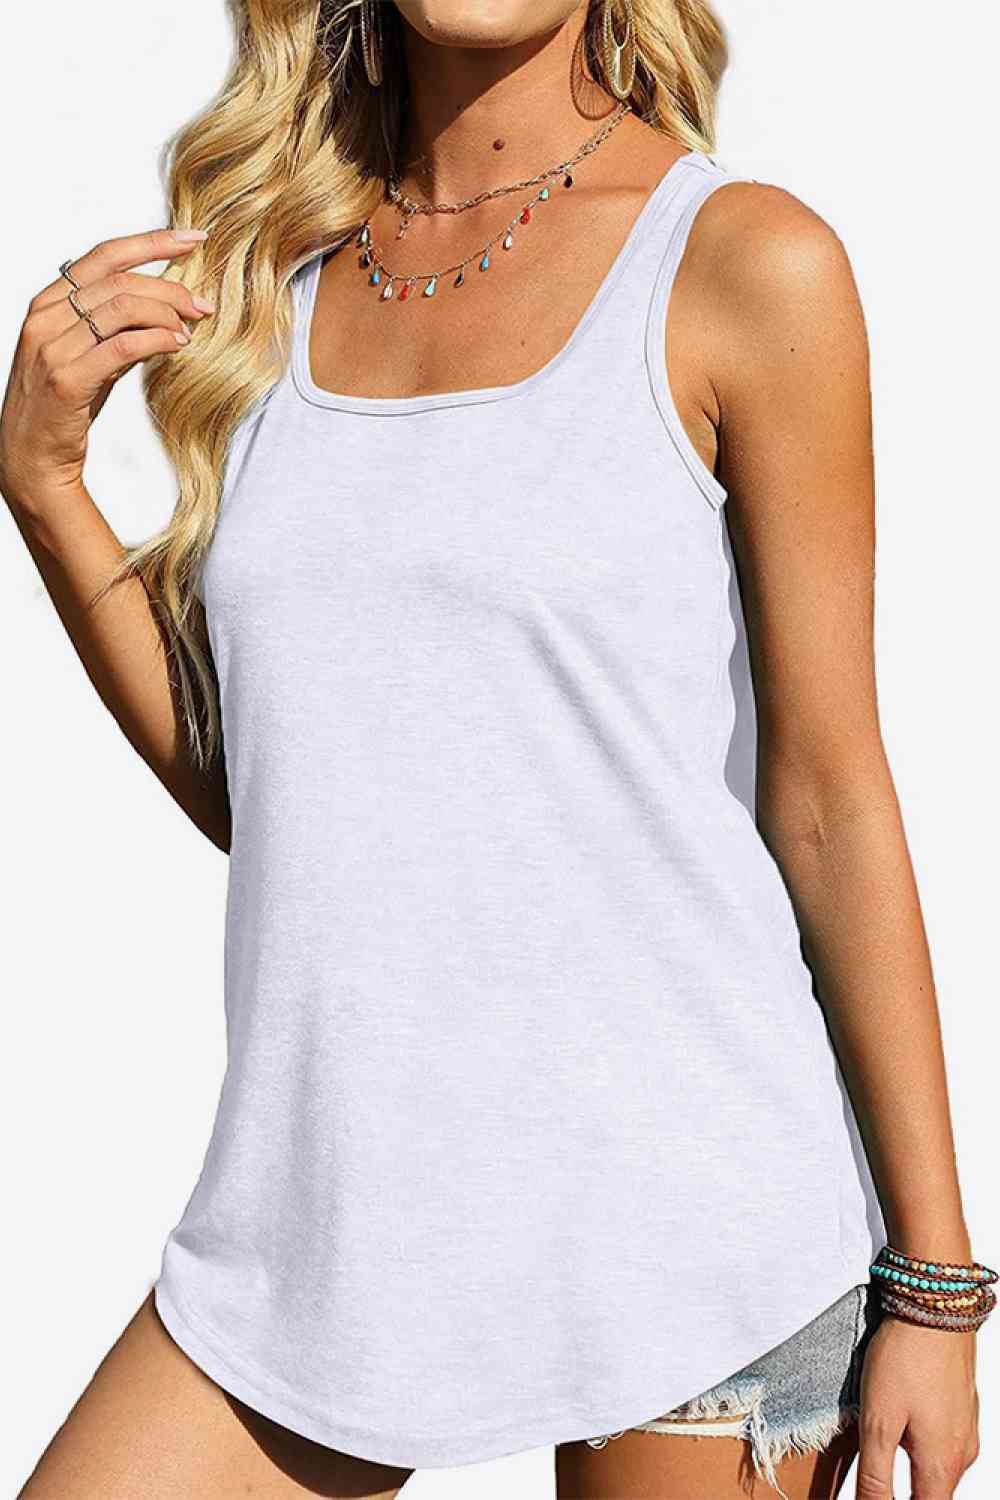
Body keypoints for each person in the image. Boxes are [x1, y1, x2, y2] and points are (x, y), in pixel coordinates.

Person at [3, 3, 990, 1498]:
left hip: (694, 1232)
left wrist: (936, 1281)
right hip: (332, 1222)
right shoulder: (279, 273)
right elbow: (281, 800)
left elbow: (830, 795)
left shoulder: (743, 263)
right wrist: (47, 486)